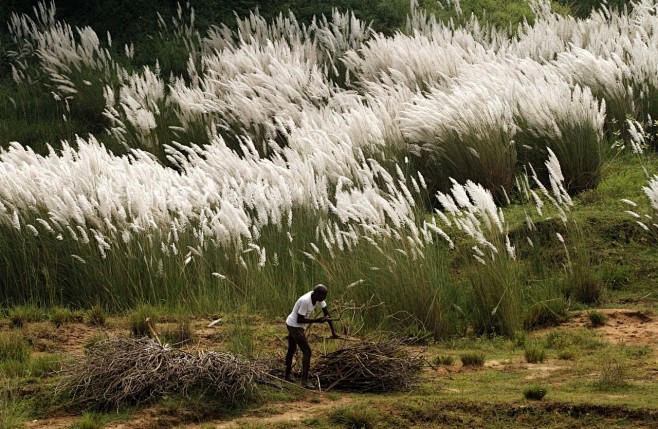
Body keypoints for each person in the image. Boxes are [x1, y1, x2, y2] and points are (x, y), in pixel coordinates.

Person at [285, 283, 339, 387]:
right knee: (307, 351)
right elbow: (299, 319)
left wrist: (333, 331)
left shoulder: (318, 299)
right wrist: (317, 321)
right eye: (323, 296)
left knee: (292, 349)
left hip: (296, 325)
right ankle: (304, 382)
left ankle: (287, 375)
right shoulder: (306, 301)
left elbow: (327, 315)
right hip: (294, 325)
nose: (324, 298)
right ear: (317, 294)